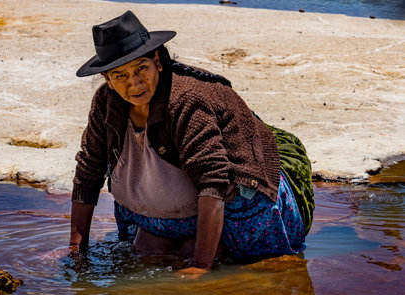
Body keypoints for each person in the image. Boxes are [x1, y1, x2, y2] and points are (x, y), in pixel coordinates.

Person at [70, 11, 314, 278]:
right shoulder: (106, 101)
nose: (135, 83)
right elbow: (89, 170)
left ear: (158, 62)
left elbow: (213, 181)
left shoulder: (186, 100)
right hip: (171, 211)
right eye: (120, 75)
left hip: (233, 200)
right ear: (107, 79)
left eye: (141, 68)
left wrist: (201, 265)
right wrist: (75, 249)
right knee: (146, 253)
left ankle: (211, 244)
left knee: (201, 255)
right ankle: (185, 237)